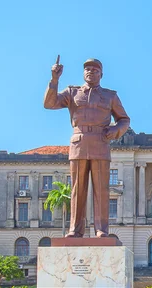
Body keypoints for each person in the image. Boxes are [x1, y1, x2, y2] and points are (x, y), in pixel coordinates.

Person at [44, 58, 130, 237]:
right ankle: (75, 229)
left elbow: (124, 120)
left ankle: (101, 229)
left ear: (101, 74)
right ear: (83, 73)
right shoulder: (72, 92)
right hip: (79, 143)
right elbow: (49, 104)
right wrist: (54, 80)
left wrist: (115, 131)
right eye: (87, 69)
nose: (91, 72)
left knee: (101, 189)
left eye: (95, 69)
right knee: (77, 188)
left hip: (100, 142)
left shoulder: (110, 96)